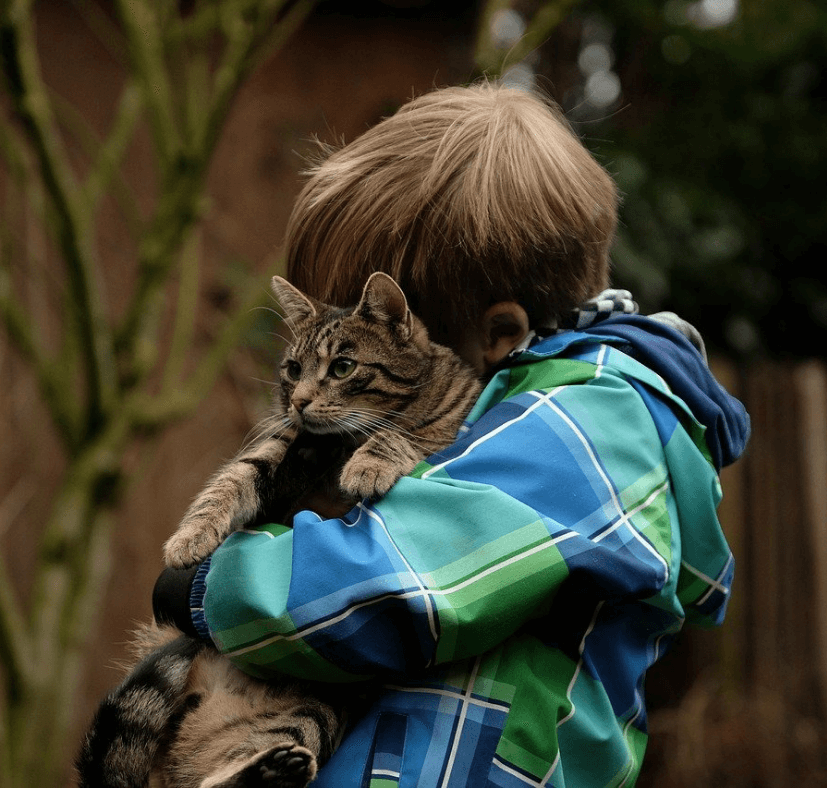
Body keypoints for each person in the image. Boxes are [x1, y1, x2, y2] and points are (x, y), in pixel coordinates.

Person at [153, 81, 750, 787]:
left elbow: (394, 586)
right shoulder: (535, 417)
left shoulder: (590, 424)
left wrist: (203, 589)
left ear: (498, 335)